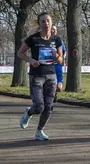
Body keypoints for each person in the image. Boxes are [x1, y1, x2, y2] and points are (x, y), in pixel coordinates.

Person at [17, 12, 64, 141]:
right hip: (37, 76)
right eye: (43, 21)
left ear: (51, 23)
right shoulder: (33, 39)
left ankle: (39, 131)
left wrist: (56, 56)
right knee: (39, 107)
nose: (46, 24)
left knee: (49, 107)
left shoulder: (56, 40)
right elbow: (20, 53)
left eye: (48, 21)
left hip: (51, 76)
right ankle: (29, 112)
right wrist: (30, 60)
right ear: (39, 24)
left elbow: (60, 60)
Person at [51, 25, 66, 108]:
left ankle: (54, 93)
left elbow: (63, 53)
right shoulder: (46, 40)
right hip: (48, 66)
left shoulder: (59, 41)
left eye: (55, 30)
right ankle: (49, 102)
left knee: (59, 88)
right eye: (52, 29)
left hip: (58, 66)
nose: (54, 31)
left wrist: (58, 57)